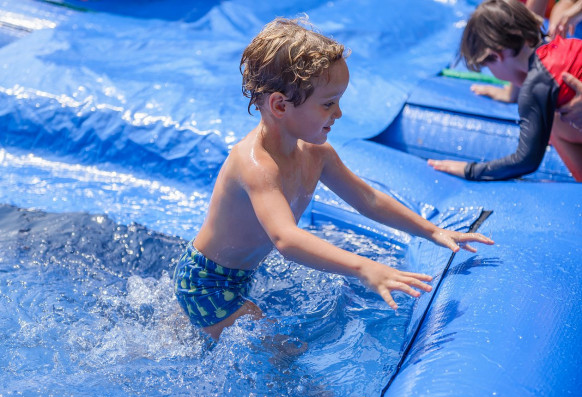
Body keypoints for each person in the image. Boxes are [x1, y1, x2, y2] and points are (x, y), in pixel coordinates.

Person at [172, 17, 494, 340]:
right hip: (206, 282)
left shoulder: (316, 155)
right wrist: (364, 267)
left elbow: (368, 199)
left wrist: (432, 231)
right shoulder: (256, 165)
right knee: (279, 349)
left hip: (240, 274)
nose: (338, 113)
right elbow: (286, 239)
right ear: (280, 105)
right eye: (328, 104)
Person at [428, 0, 582, 181]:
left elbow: (526, 161)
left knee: (553, 125)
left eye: (487, 66)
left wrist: (469, 170)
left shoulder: (536, 85)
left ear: (495, 56)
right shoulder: (568, 45)